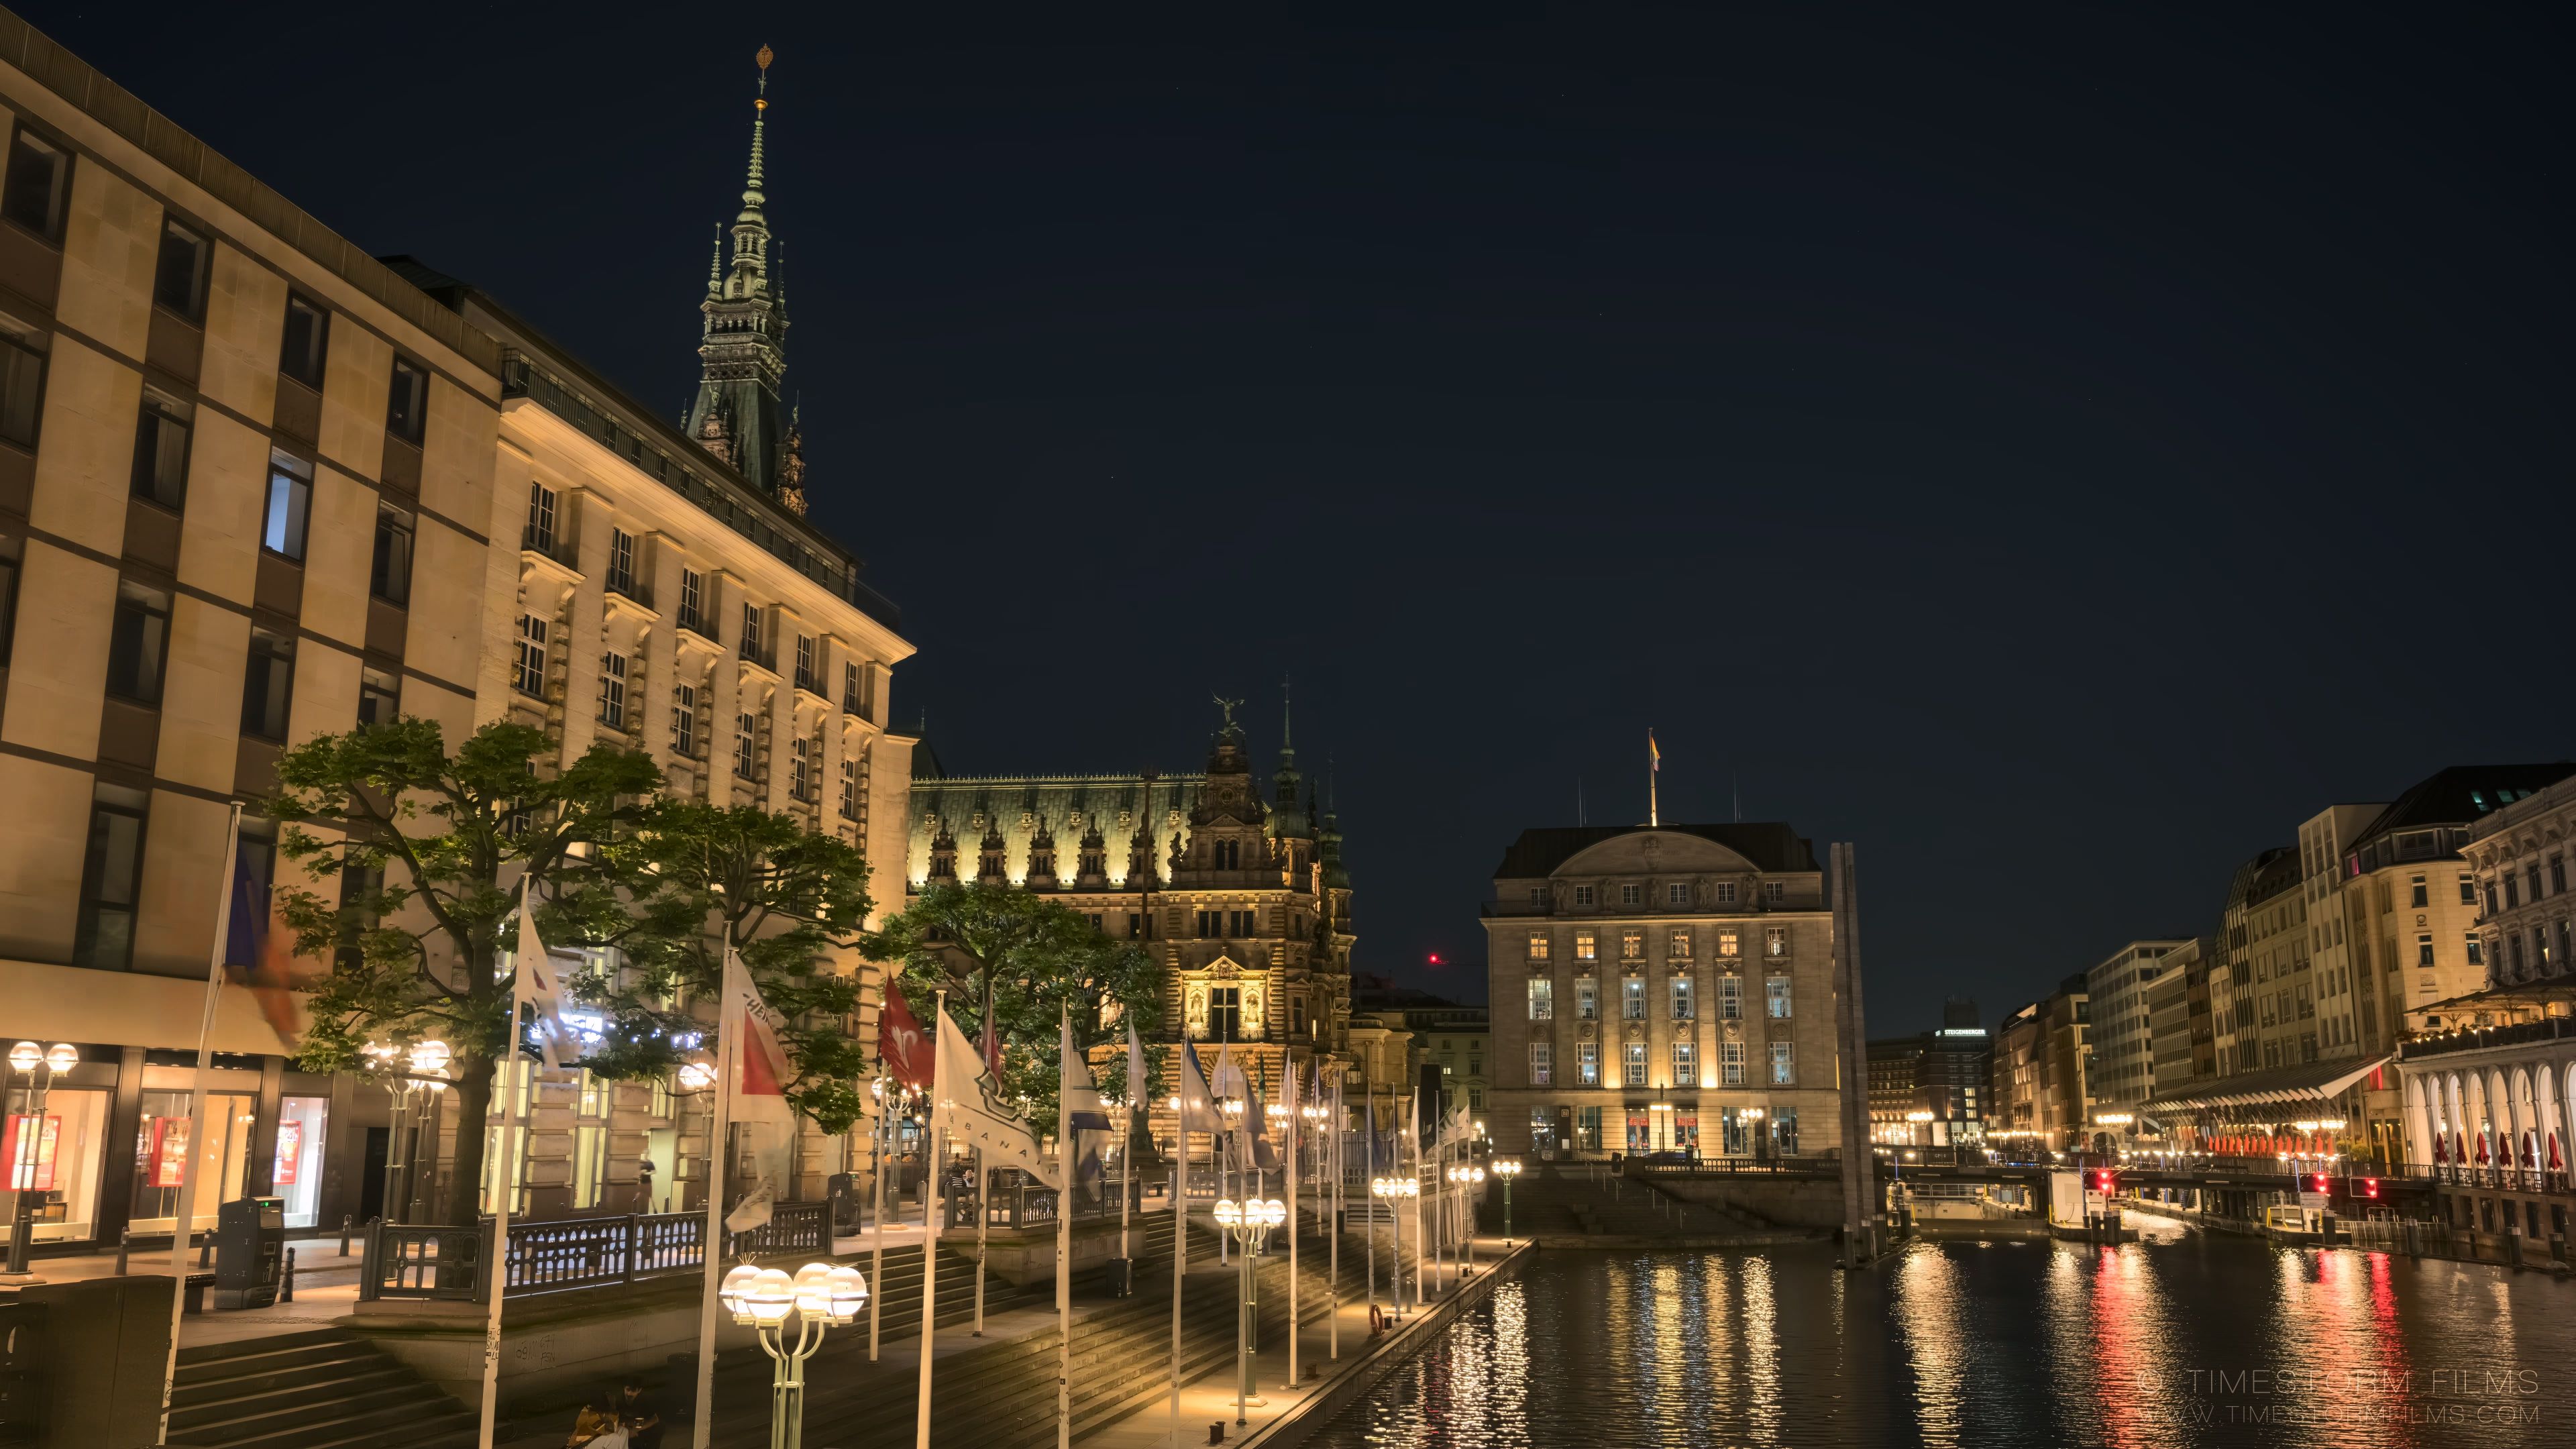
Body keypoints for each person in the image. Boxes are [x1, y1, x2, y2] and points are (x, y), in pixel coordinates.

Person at [565, 1391, 629, 1449]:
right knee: (614, 1437)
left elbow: (613, 1423)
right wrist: (613, 1406)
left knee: (624, 1431)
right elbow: (611, 1429)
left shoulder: (601, 1413)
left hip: (593, 1441)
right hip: (582, 1446)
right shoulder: (590, 1415)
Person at [613, 1375, 663, 1449]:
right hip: (624, 1429)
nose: (629, 1393)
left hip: (640, 1427)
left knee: (660, 1427)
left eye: (633, 1390)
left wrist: (636, 1429)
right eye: (628, 1389)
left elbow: (655, 1419)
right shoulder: (617, 1400)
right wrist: (627, 1431)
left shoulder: (645, 1400)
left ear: (639, 1391)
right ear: (624, 1388)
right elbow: (615, 1419)